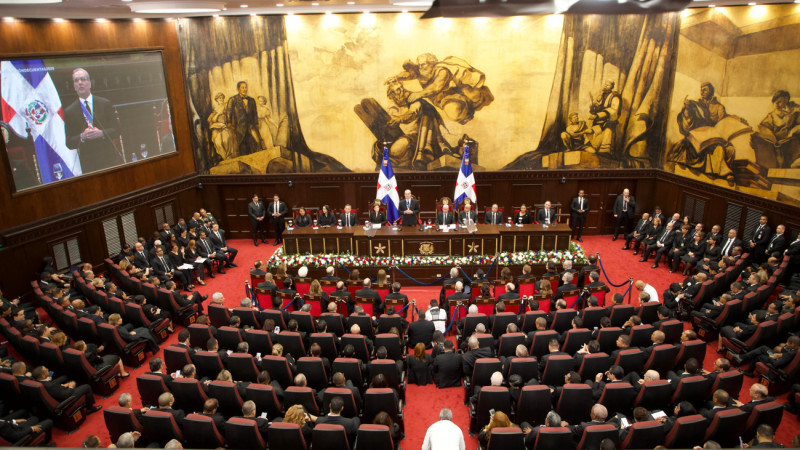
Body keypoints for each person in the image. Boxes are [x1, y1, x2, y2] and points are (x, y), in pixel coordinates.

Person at [64, 68, 122, 174]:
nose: (80, 82)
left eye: (83, 79)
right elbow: (69, 142)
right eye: (76, 80)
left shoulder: (105, 103)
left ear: (90, 83)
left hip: (108, 160)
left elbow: (117, 130)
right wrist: (82, 136)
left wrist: (101, 133)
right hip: (88, 165)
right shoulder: (69, 111)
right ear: (74, 86)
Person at [226, 81, 265, 156]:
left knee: (255, 146)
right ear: (238, 89)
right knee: (242, 149)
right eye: (242, 87)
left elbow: (255, 114)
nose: (245, 89)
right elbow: (228, 112)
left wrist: (256, 124)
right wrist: (229, 123)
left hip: (251, 127)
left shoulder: (251, 100)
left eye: (245, 87)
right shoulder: (233, 99)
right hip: (239, 128)